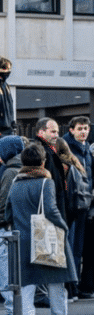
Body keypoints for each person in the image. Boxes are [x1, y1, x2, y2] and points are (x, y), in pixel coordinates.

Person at [5, 143, 80, 315]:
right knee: (56, 285)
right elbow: (50, 210)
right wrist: (63, 227)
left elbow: (7, 213)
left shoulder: (15, 183)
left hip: (22, 241)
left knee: (27, 290)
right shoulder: (46, 183)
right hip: (46, 239)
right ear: (43, 161)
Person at [0, 134, 26, 315]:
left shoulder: (8, 172)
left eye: (0, 149)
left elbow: (3, 200)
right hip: (21, 227)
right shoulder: (26, 167)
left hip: (7, 228)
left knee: (6, 274)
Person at [64, 117, 94, 298]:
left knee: (78, 247)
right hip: (72, 204)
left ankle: (75, 286)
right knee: (72, 246)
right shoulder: (67, 148)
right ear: (71, 130)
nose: (83, 132)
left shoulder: (86, 150)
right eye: (80, 129)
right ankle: (70, 287)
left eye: (86, 128)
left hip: (85, 202)